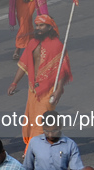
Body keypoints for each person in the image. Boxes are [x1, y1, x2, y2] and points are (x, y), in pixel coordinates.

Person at [8, 15, 72, 148]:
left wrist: (59, 89)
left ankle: (35, 150)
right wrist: (14, 83)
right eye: (36, 25)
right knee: (31, 121)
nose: (38, 28)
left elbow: (61, 70)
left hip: (49, 89)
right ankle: (35, 148)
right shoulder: (32, 43)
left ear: (50, 27)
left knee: (40, 122)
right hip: (33, 88)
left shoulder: (57, 45)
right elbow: (23, 64)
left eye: (42, 25)